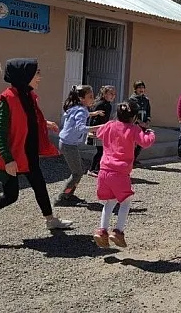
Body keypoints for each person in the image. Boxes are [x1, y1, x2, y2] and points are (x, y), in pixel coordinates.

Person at [0, 58, 73, 243]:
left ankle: (51, 220)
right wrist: (8, 159)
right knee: (10, 196)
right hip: (12, 156)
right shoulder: (7, 98)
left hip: (27, 153)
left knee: (39, 185)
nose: (39, 77)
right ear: (25, 76)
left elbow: (27, 118)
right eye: (36, 73)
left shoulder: (27, 95)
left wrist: (44, 124)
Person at [93, 102, 155, 248]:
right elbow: (145, 142)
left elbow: (99, 133)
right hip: (120, 173)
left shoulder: (110, 125)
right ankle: (118, 231)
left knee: (109, 202)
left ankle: (102, 230)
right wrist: (150, 133)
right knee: (125, 202)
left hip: (103, 171)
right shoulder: (133, 129)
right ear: (134, 117)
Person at [55, 85, 103, 206]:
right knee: (77, 173)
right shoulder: (81, 110)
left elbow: (83, 115)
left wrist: (93, 113)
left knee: (79, 170)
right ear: (82, 98)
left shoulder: (77, 107)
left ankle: (68, 194)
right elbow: (80, 128)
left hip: (66, 143)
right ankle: (62, 197)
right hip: (68, 145)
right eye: (90, 97)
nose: (93, 99)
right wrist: (99, 127)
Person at [88, 85, 116, 177]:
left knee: (103, 150)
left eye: (114, 94)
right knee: (101, 150)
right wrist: (95, 129)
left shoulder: (107, 105)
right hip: (98, 130)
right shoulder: (101, 104)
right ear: (104, 94)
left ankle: (98, 168)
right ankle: (92, 169)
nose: (112, 96)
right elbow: (95, 119)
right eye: (110, 94)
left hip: (102, 130)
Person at [129, 81, 151, 162]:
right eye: (139, 87)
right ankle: (130, 159)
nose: (141, 89)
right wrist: (139, 122)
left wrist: (147, 121)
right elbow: (131, 113)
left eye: (142, 87)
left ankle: (134, 158)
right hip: (135, 124)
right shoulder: (132, 99)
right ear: (135, 89)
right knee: (133, 143)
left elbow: (148, 111)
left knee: (141, 143)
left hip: (144, 124)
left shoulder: (146, 99)